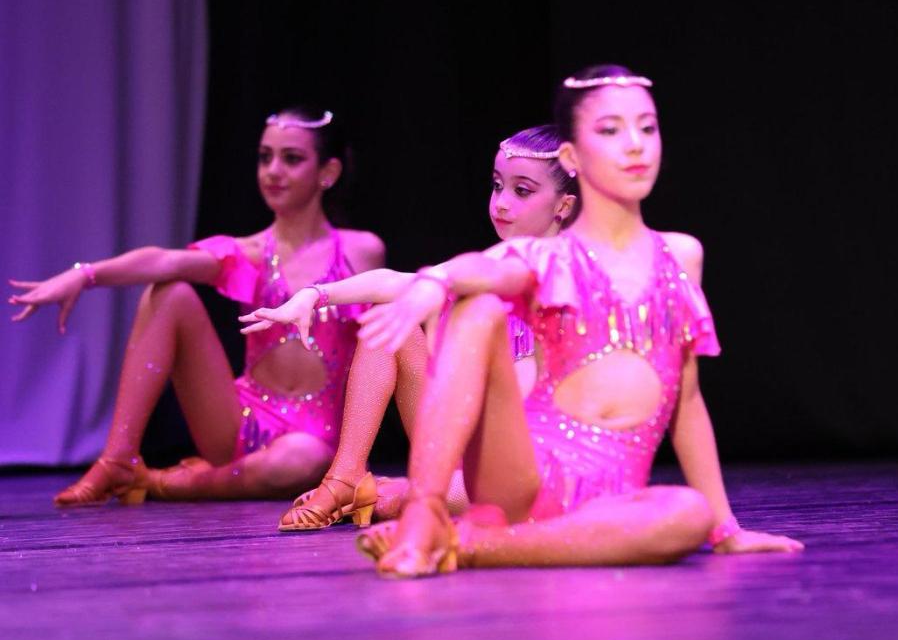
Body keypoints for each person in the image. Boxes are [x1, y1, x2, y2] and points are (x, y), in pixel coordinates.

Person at [352, 65, 804, 578]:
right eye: (610, 130)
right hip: (521, 475)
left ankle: (468, 544)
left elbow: (688, 400)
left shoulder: (680, 256)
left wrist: (726, 529)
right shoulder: (550, 256)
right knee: (477, 305)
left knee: (687, 513)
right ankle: (425, 512)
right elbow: (484, 267)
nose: (634, 145)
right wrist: (435, 281)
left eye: (647, 128)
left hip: (611, 502)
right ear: (572, 156)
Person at [9, 106, 384, 505]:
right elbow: (164, 261)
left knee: (296, 460)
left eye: (291, 159)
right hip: (238, 423)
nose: (273, 171)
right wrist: (84, 276)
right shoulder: (250, 252)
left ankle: (163, 482)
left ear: (328, 172)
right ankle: (118, 458)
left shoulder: (361, 251)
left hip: (315, 440)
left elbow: (381, 347)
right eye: (265, 157)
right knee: (169, 293)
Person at [239, 124, 579, 529]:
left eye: (522, 191)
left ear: (563, 205)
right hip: (464, 446)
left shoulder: (572, 277)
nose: (501, 203)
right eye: (497, 186)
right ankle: (346, 475)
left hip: (527, 470)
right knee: (389, 312)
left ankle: (399, 492)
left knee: (400, 498)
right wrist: (314, 295)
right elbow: (395, 282)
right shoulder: (489, 265)